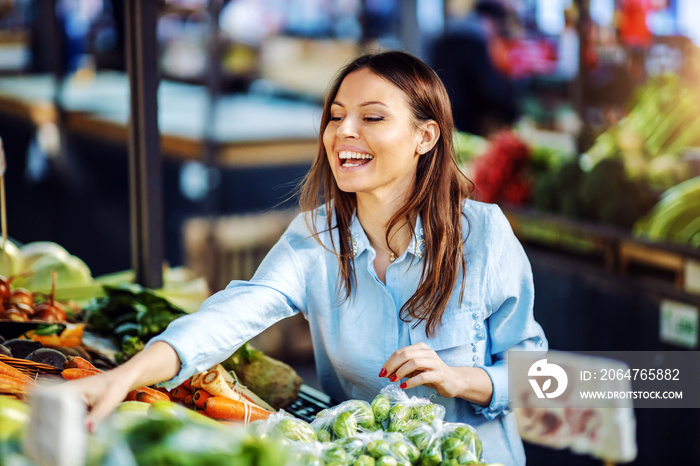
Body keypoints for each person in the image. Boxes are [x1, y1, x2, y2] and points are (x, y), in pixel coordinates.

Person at [65, 50, 547, 465]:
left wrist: (459, 379)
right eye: (336, 116)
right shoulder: (315, 238)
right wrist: (124, 376)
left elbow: (541, 379)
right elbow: (230, 315)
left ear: (426, 137)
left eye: (372, 117)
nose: (344, 132)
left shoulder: (482, 234)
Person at [430, 0, 520, 136]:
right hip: (464, 120)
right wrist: (512, 110)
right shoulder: (474, 42)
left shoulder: (445, 37)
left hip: (439, 111)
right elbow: (488, 88)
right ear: (490, 20)